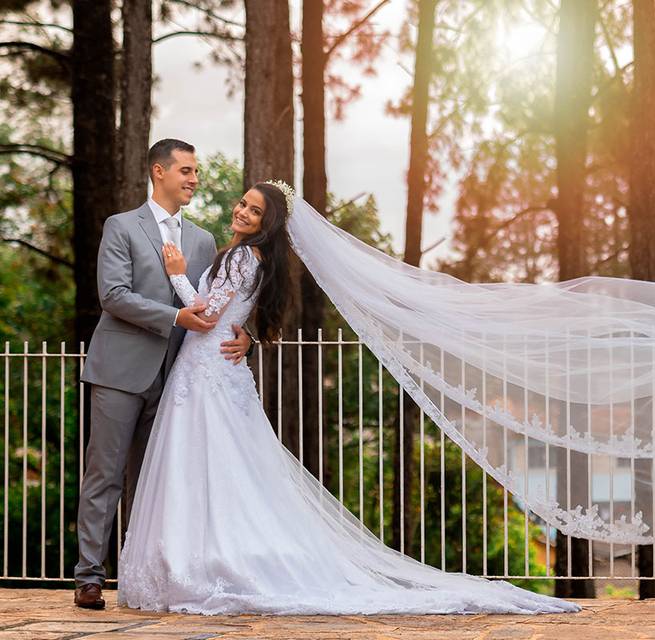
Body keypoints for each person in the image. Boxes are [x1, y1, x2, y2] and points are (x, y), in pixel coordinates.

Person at [117, 181, 580, 615]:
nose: (242, 212)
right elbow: (228, 314)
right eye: (244, 204)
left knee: (209, 464)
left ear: (268, 224)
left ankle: (200, 560)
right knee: (226, 466)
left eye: (255, 211)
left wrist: (178, 276)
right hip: (213, 368)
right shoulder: (250, 257)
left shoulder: (243, 258)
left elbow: (206, 315)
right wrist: (245, 336)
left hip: (206, 370)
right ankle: (206, 556)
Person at [74, 139, 251, 610]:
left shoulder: (202, 239)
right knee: (105, 475)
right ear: (160, 172)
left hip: (177, 379)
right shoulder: (121, 227)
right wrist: (175, 319)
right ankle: (90, 576)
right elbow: (112, 294)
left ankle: (152, 574)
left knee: (160, 480)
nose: (194, 180)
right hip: (120, 370)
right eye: (187, 171)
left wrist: (246, 333)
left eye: (196, 172)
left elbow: (215, 299)